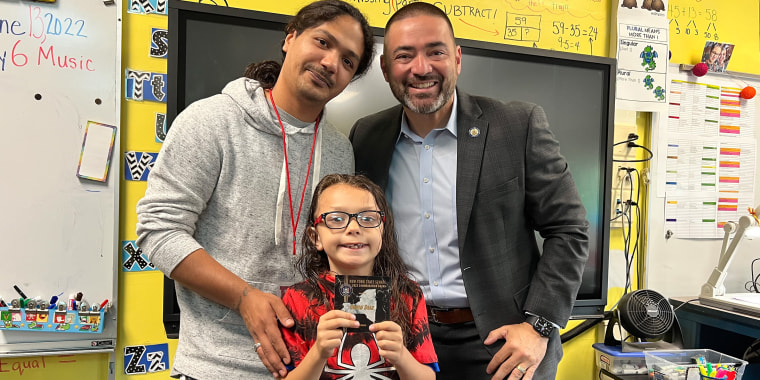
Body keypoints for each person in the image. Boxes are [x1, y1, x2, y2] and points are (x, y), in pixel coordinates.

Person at [349, 3, 589, 380]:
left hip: (504, 342)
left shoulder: (516, 125)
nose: (421, 67)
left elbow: (569, 229)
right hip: (403, 340)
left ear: (457, 58)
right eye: (404, 55)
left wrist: (539, 327)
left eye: (436, 51)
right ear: (385, 69)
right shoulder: (366, 136)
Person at [135, 1, 374, 379]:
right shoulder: (211, 121)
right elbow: (158, 231)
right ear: (291, 37)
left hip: (312, 367)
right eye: (322, 42)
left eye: (348, 61)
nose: (331, 63)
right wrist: (244, 297)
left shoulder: (339, 150)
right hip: (215, 367)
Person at [279, 173, 438, 379]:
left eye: (368, 218)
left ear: (382, 230)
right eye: (336, 219)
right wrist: (319, 353)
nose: (354, 228)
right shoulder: (297, 298)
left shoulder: (409, 294)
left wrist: (401, 355)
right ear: (315, 237)